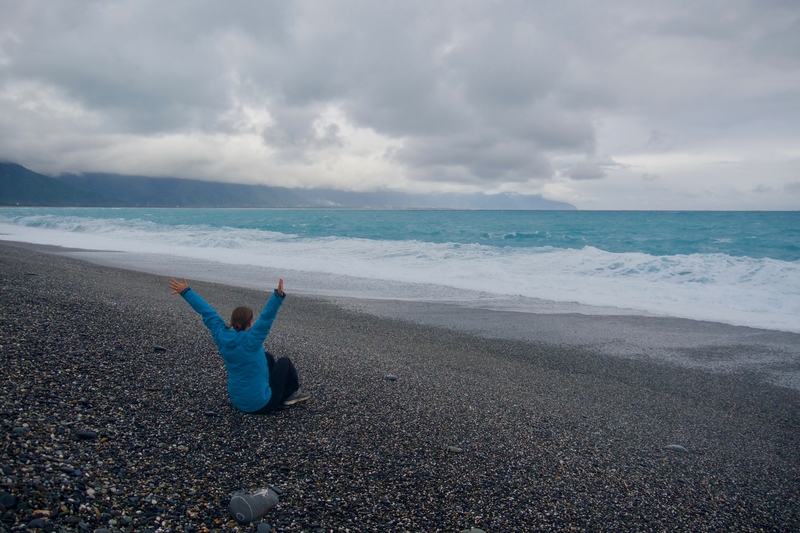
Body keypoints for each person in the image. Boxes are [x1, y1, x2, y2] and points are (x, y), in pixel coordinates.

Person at [168, 277, 310, 413]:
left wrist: (186, 292)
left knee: (267, 356)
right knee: (285, 362)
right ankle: (292, 394)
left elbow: (207, 312)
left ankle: (273, 390)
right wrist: (277, 296)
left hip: (238, 402)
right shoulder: (251, 340)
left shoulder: (221, 335)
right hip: (263, 403)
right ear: (250, 323)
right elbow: (267, 317)